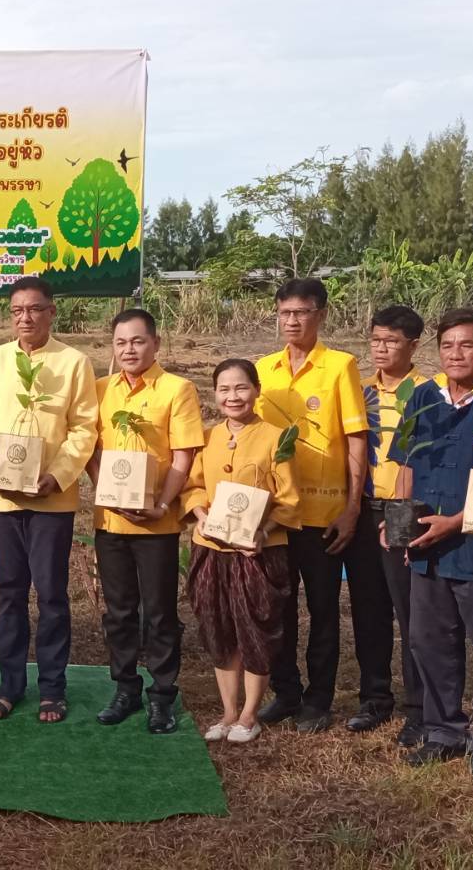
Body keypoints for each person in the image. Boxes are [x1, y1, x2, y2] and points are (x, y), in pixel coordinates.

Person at [0, 277, 99, 724]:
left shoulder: (74, 363)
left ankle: (53, 689)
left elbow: (83, 429)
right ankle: (10, 684)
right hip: (2, 499)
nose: (26, 317)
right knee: (9, 594)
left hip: (51, 501)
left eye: (35, 309)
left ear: (52, 311)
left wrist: (57, 476)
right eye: (18, 310)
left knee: (53, 595)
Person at [394, 309, 473, 782]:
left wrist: (456, 522)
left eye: (466, 345)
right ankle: (444, 731)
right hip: (427, 547)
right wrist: (401, 522)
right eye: (447, 345)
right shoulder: (423, 397)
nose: (455, 354)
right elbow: (406, 464)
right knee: (430, 643)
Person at [254, 278, 369, 732]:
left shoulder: (340, 367)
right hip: (279, 514)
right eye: (284, 313)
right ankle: (286, 691)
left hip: (324, 514)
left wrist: (352, 507)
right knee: (278, 606)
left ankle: (318, 699)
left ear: (320, 315)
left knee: (323, 610)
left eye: (301, 313)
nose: (292, 321)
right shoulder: (264, 369)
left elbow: (356, 438)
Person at [86, 308, 204, 732]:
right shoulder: (101, 390)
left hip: (157, 523)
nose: (129, 349)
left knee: (159, 612)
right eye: (121, 342)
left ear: (155, 343)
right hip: (111, 521)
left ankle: (162, 694)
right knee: (118, 611)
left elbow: (184, 454)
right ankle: (124, 687)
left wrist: (162, 504)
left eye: (137, 341)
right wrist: (105, 490)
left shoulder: (178, 389)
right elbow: (93, 451)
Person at [180, 359, 301, 745]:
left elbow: (289, 501)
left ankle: (250, 713)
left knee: (256, 629)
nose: (233, 397)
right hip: (211, 548)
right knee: (218, 627)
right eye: (225, 390)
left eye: (241, 388)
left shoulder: (276, 438)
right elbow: (194, 485)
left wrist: (263, 532)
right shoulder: (208, 436)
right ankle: (228, 711)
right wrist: (200, 513)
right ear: (215, 395)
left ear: (256, 390)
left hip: (257, 552)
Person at [345, 305, 426, 741]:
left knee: (411, 609)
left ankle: (420, 706)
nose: (381, 348)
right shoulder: (360, 392)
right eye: (375, 340)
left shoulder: (427, 391)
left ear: (413, 345)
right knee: (368, 607)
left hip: (405, 509)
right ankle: (374, 698)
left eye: (391, 341)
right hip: (364, 507)